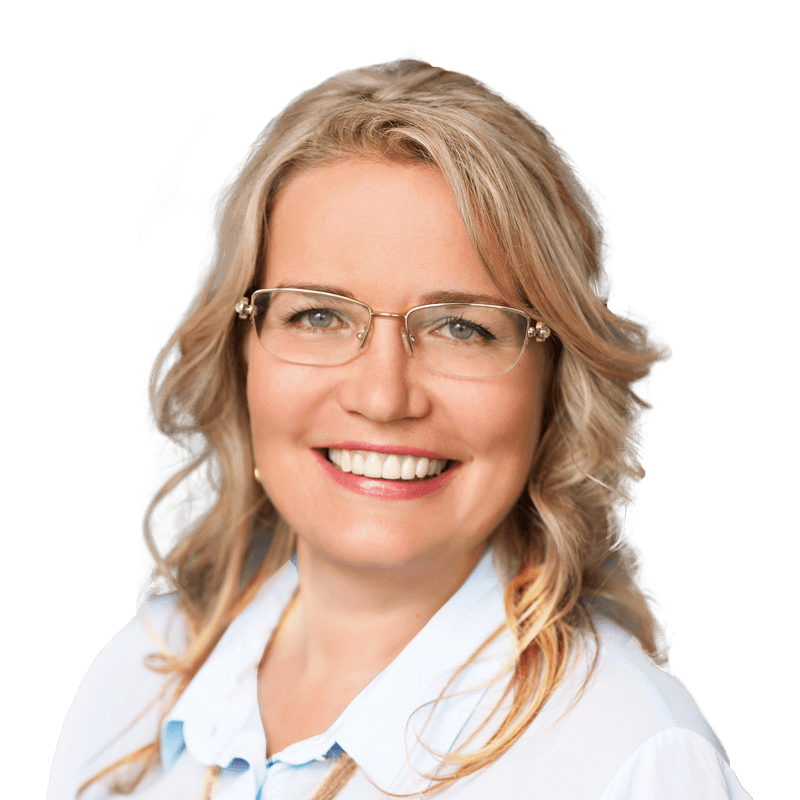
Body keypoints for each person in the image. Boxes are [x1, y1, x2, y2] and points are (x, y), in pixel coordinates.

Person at [48, 55, 751, 799]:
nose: (384, 397)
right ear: (240, 356)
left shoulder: (629, 760)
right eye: (317, 316)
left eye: (461, 327)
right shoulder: (133, 683)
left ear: (555, 384)